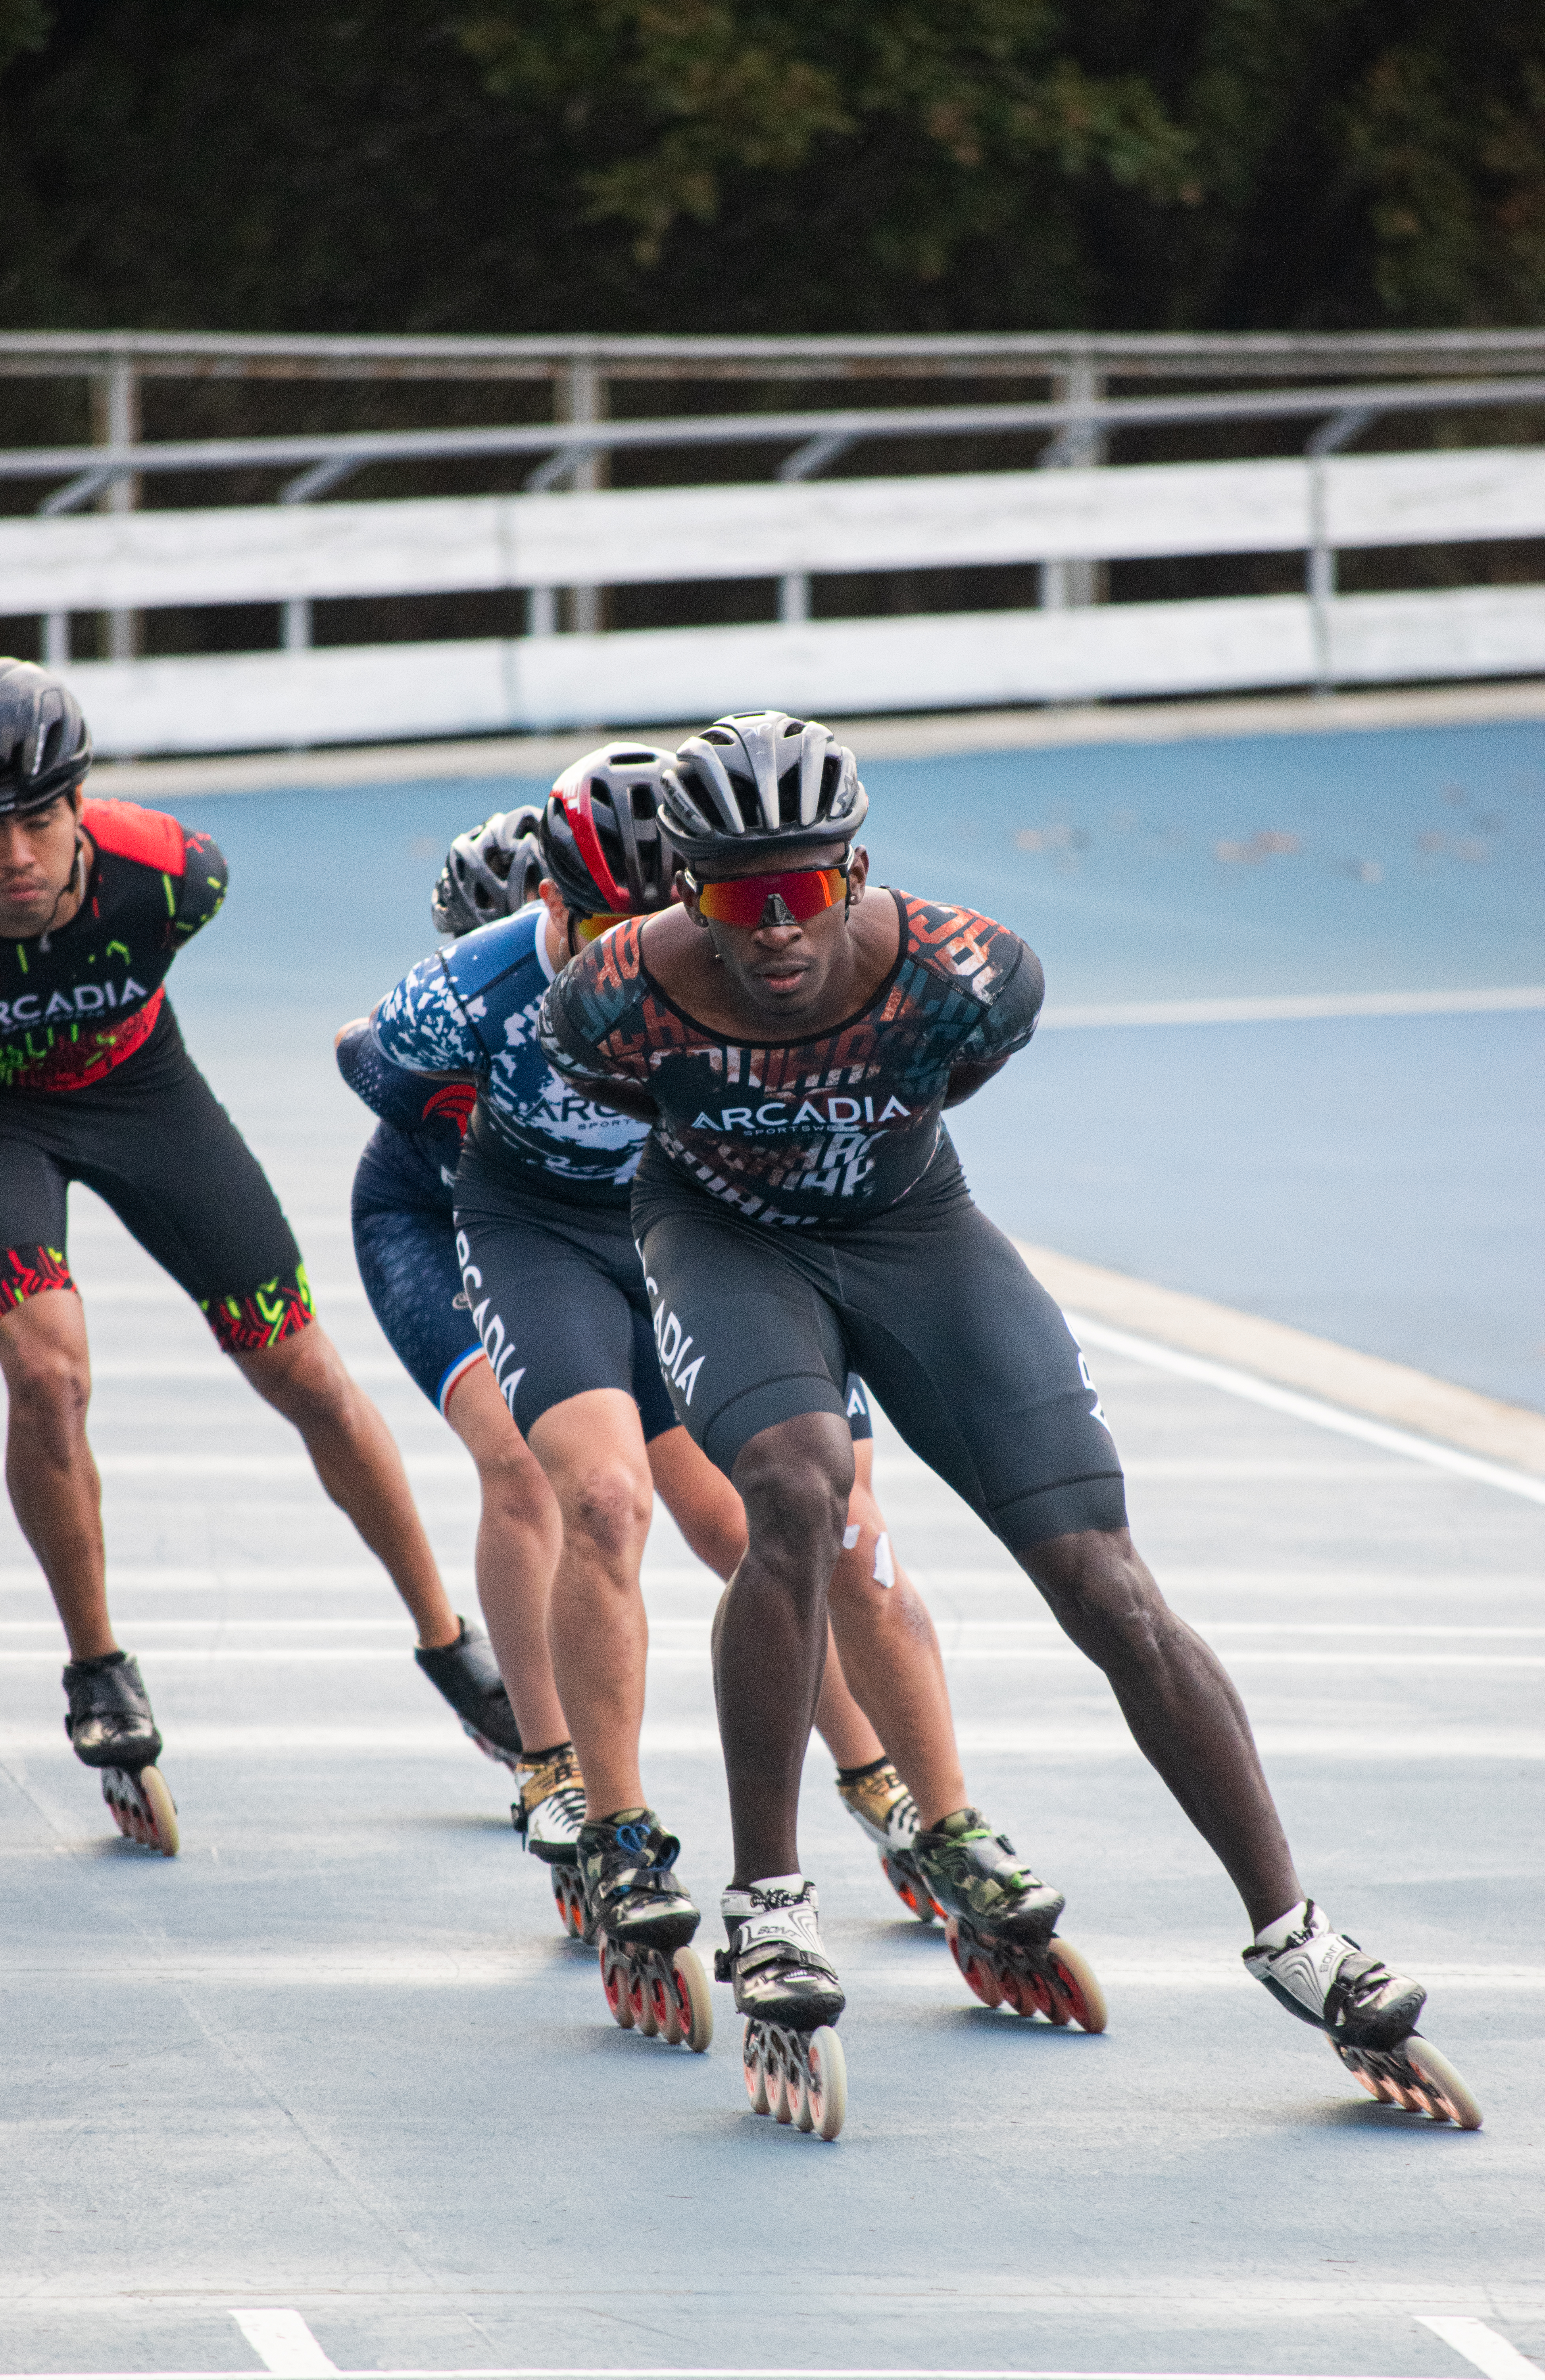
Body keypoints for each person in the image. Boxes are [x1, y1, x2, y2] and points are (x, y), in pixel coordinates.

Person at [534, 708, 1476, 2124]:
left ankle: (1296, 1934)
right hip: (726, 1242)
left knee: (1106, 1577)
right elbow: (620, 1115)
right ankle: (771, 1905)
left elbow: (951, 1086)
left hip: (913, 1227)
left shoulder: (972, 974)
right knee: (795, 1492)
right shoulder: (612, 996)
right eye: (742, 899)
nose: (779, 930)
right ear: (686, 894)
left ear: (856, 873)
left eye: (807, 891)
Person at [362, 753, 999, 1997]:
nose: (636, 956)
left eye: (664, 925)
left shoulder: (729, 967)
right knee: (557, 1482)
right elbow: (370, 1069)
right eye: (607, 929)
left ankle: (888, 1786)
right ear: (550, 915)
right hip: (496, 1226)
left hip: (678, 1228)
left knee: (778, 1518)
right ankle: (575, 1787)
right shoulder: (475, 991)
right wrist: (484, 1145)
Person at [0, 656, 508, 1854]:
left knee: (304, 1371)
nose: (15, 856)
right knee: (47, 1373)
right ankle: (98, 1667)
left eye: (40, 819)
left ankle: (449, 1643)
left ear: (80, 805)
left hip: (141, 1090)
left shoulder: (175, 878)